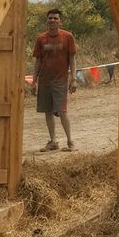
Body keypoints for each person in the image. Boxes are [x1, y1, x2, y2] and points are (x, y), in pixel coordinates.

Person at [30, 8, 77, 151]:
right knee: (48, 112)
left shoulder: (67, 37)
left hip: (60, 81)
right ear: (47, 20)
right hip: (44, 81)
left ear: (60, 21)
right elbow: (38, 61)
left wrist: (74, 79)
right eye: (50, 18)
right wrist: (34, 81)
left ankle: (70, 142)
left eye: (55, 18)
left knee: (62, 111)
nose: (52, 20)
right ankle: (53, 142)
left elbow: (72, 58)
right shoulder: (41, 39)